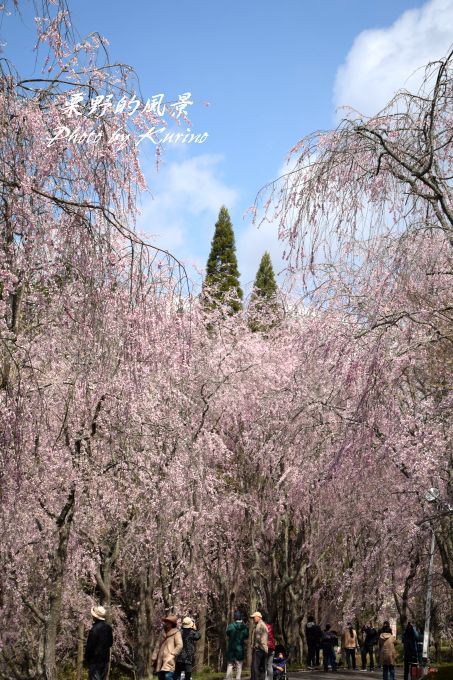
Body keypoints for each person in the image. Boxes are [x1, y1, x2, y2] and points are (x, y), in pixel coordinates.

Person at [84, 605, 113, 680]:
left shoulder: (94, 630)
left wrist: (87, 659)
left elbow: (89, 647)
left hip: (95, 661)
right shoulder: (108, 628)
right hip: (105, 660)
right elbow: (110, 643)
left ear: (95, 617)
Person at [152, 614, 183, 680]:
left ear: (172, 623)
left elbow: (180, 645)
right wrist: (154, 656)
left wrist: (172, 654)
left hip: (169, 660)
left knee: (168, 677)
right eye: (166, 621)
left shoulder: (176, 633)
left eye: (169, 621)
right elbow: (157, 645)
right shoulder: (162, 632)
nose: (167, 623)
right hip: (160, 660)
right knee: (161, 677)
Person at [226, 611, 249, 680]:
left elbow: (227, 633)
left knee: (230, 665)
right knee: (239, 666)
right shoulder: (244, 627)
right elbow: (246, 636)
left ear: (235, 618)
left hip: (232, 649)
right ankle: (238, 678)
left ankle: (229, 679)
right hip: (240, 649)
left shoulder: (230, 626)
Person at [250, 611, 268, 680]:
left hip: (259, 649)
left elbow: (258, 638)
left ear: (259, 617)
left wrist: (255, 646)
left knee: (255, 667)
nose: (253, 619)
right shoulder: (262, 625)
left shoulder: (259, 626)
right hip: (264, 649)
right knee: (262, 668)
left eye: (254, 617)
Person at [265, 614, 276, 680]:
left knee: (265, 665)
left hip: (266, 647)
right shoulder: (271, 627)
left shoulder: (263, 627)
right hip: (272, 647)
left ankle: (266, 678)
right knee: (270, 665)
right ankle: (271, 678)